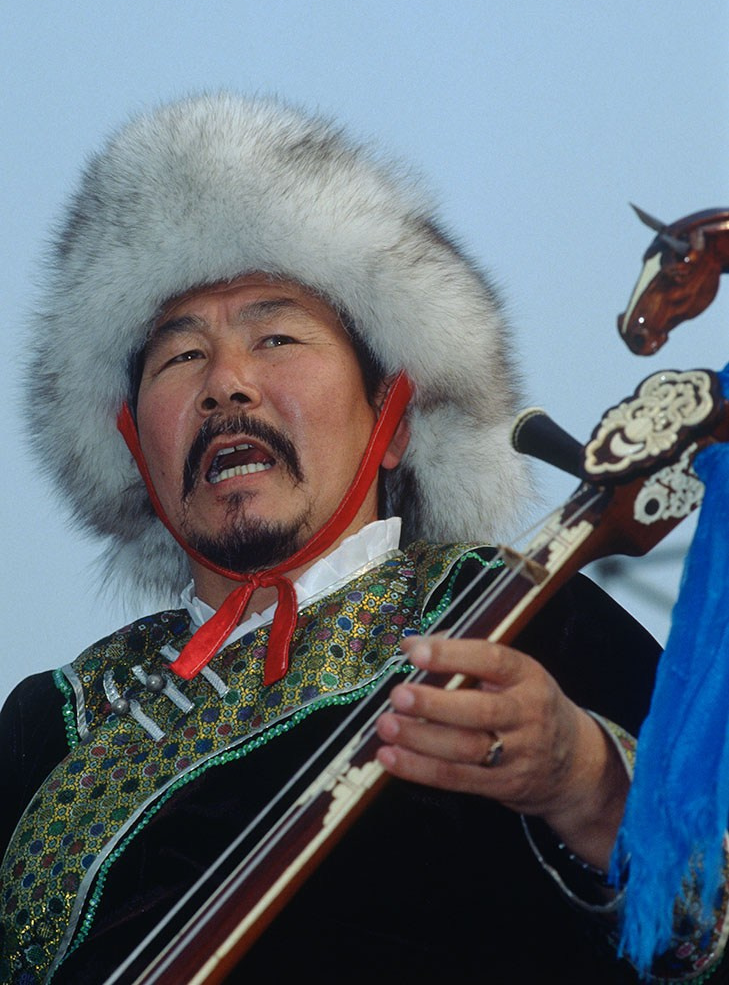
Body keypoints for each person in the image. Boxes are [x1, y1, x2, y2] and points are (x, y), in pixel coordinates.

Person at [0, 93, 726, 985]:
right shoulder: (52, 720)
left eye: (276, 336)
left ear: (393, 417)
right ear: (133, 443)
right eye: (181, 356)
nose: (227, 383)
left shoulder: (518, 615)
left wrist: (587, 784)